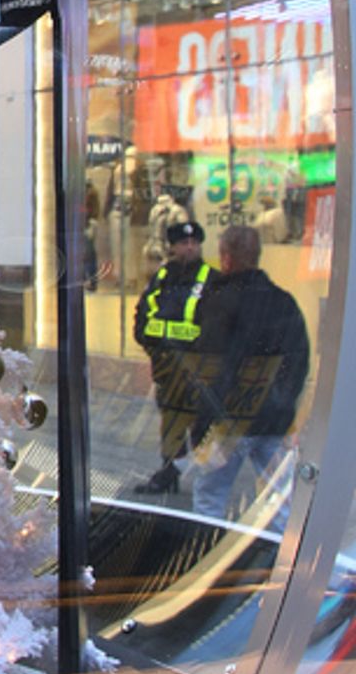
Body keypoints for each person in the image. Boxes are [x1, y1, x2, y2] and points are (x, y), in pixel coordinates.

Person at [189, 223, 310, 527]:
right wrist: (283, 407)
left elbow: (210, 369)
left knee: (209, 499)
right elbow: (298, 363)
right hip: (272, 421)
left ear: (226, 257)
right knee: (279, 502)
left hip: (227, 420)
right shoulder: (283, 302)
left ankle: (205, 560)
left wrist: (203, 422)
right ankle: (279, 563)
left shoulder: (219, 302)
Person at [132, 218, 214, 495]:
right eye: (183, 243)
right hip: (168, 370)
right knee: (171, 425)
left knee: (203, 428)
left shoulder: (211, 279)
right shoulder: (162, 277)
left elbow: (221, 325)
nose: (189, 248)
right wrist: (155, 351)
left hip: (200, 371)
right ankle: (169, 474)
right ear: (173, 247)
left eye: (193, 243)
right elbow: (143, 316)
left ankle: (208, 483)